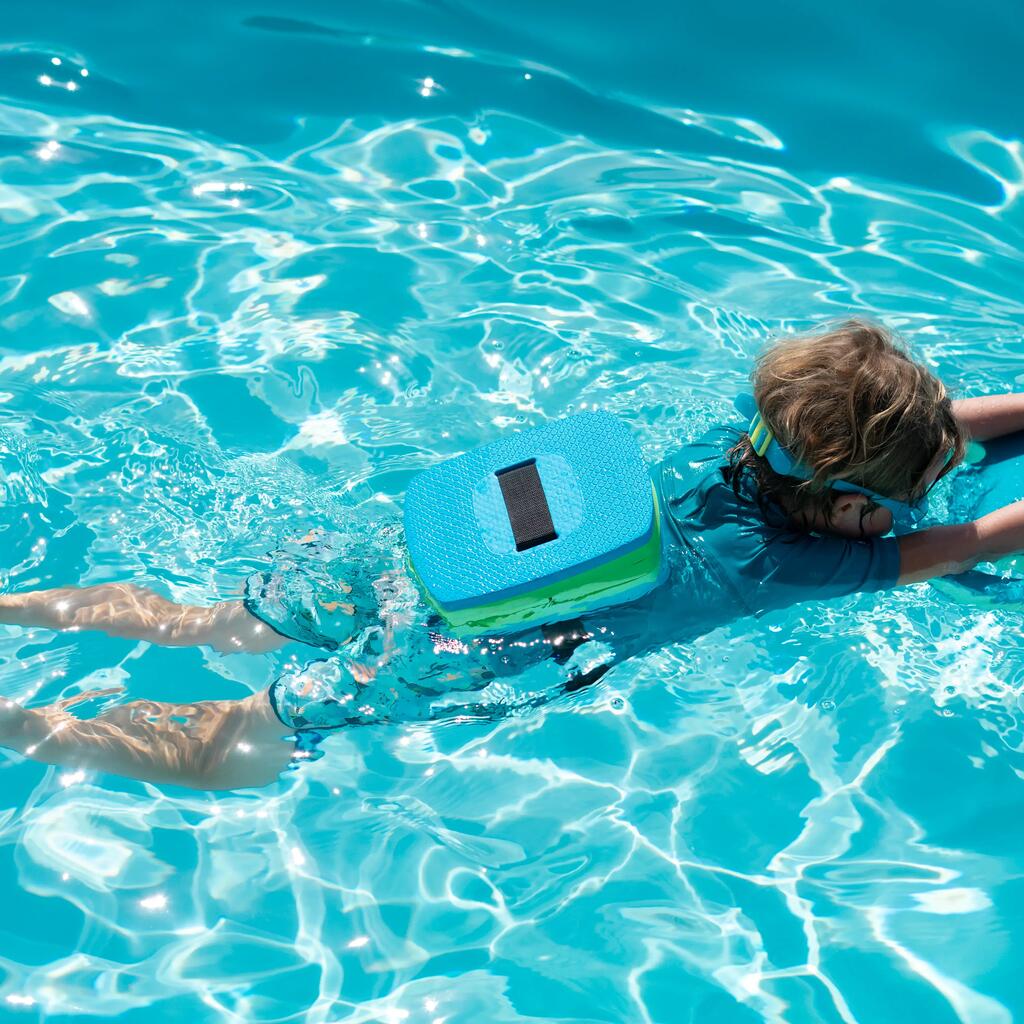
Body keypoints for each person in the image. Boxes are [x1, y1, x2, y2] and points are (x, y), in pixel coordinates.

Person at [3, 319, 1024, 791]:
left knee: (207, 625)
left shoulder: (746, 437)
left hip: (421, 554)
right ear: (850, 507)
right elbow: (977, 537)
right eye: (908, 490)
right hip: (463, 647)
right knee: (247, 735)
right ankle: (31, 729)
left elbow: (893, 432)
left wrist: (929, 433)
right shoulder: (802, 564)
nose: (924, 497)